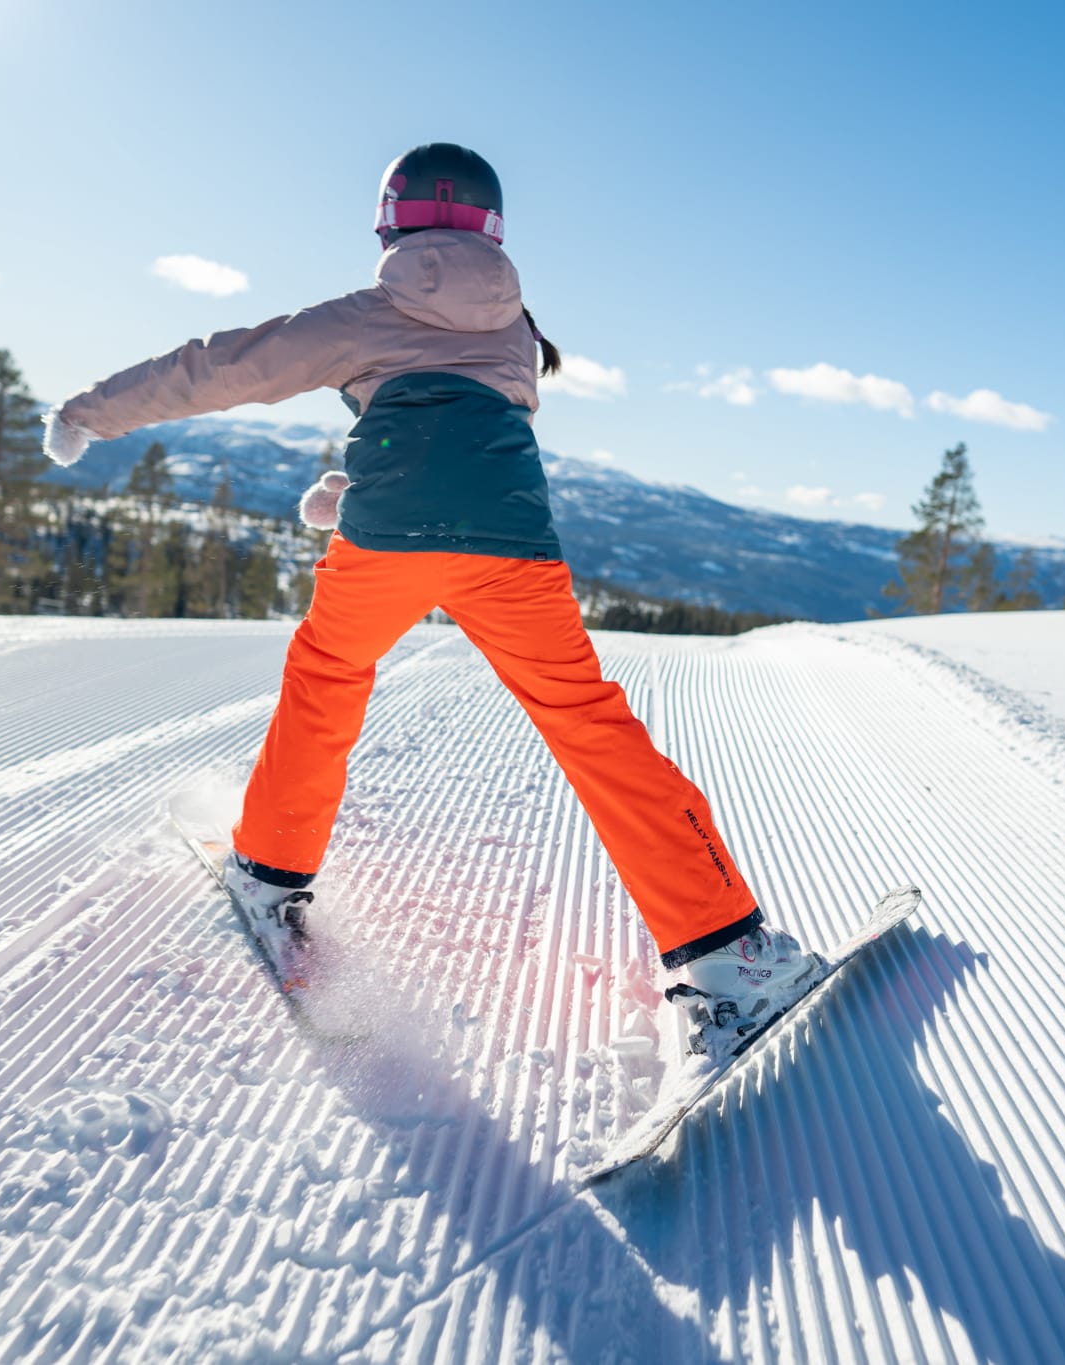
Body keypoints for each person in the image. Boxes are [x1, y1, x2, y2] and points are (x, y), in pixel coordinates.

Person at [44, 143, 817, 1050]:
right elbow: (463, 450)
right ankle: (729, 949)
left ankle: (270, 868)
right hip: (513, 551)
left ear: (389, 223)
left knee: (329, 674)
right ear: (493, 228)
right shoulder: (519, 332)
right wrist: (349, 489)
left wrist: (90, 411)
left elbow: (226, 366)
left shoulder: (367, 312)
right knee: (589, 722)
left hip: (389, 545)